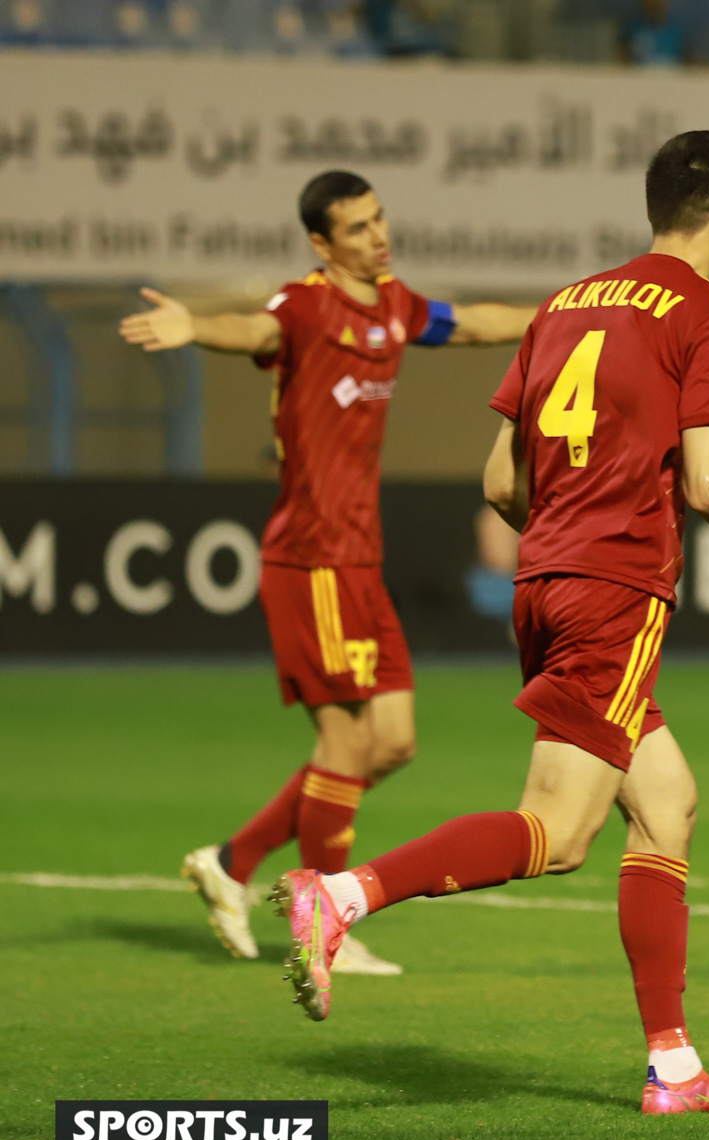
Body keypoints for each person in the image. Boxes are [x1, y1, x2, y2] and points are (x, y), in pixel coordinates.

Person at [270, 132, 709, 1116]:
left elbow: (499, 480)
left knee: (667, 800)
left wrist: (559, 538)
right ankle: (340, 898)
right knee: (557, 829)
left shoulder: (566, 304)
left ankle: (673, 1067)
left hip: (544, 580)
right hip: (614, 589)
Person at [120, 170, 536, 975]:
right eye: (357, 229)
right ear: (321, 242)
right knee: (344, 741)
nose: (377, 237)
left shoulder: (393, 303)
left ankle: (232, 862)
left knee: (394, 742)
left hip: (359, 560)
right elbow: (255, 331)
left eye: (379, 220)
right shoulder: (304, 304)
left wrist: (574, 313)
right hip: (312, 557)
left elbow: (476, 322)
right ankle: (321, 921)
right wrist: (195, 326)